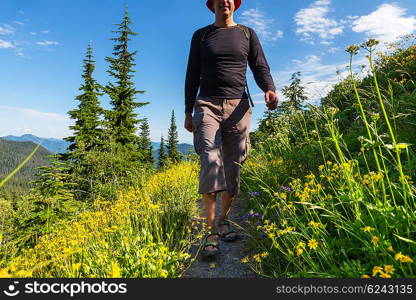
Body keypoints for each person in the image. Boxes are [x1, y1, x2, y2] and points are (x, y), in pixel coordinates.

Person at [184, 0, 278, 257]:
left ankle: (224, 220)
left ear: (234, 4)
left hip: (239, 106)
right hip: (207, 105)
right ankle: (212, 230)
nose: (224, 1)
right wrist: (187, 110)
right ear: (212, 4)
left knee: (233, 166)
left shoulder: (247, 33)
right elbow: (192, 73)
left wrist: (268, 88)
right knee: (210, 159)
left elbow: (260, 66)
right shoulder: (201, 35)